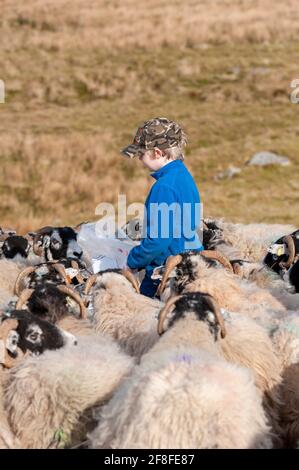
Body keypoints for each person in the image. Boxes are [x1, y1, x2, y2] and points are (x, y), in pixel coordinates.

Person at [121, 117, 203, 298]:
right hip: (191, 262)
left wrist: (132, 261)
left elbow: (159, 239)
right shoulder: (183, 176)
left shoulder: (164, 187)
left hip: (166, 273)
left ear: (157, 152)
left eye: (141, 154)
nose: (140, 160)